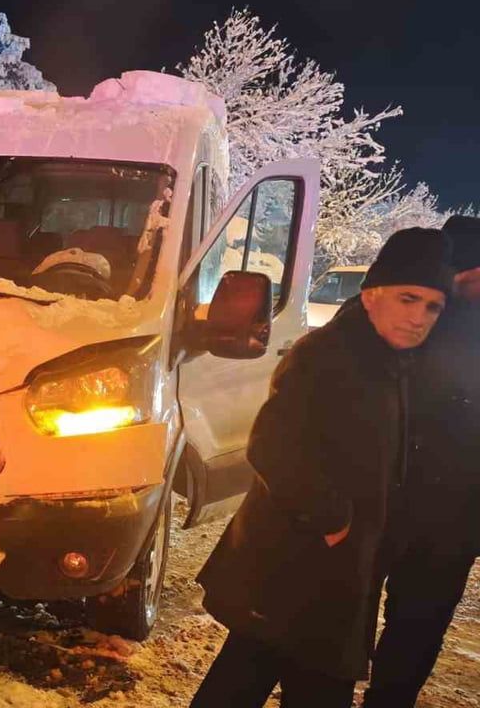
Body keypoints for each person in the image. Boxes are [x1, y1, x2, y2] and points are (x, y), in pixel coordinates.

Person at [190, 228, 455, 708]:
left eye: (432, 307)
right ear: (373, 295)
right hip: (296, 561)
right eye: (408, 298)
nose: (419, 317)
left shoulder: (388, 360)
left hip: (330, 572)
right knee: (257, 677)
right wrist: (332, 519)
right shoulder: (330, 356)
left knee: (270, 676)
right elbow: (271, 444)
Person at [363, 216, 480, 707]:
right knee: (349, 618)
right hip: (386, 503)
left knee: (414, 627)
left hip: (448, 517)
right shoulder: (414, 314)